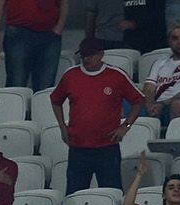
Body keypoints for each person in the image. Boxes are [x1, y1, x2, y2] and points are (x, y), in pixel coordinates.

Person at [53, 40, 141, 194]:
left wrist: (125, 126)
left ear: (101, 54)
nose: (86, 59)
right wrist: (62, 128)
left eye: (90, 55)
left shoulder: (116, 75)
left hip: (107, 146)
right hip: (78, 147)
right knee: (74, 194)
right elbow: (55, 100)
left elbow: (139, 101)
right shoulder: (70, 75)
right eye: (83, 55)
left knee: (112, 193)